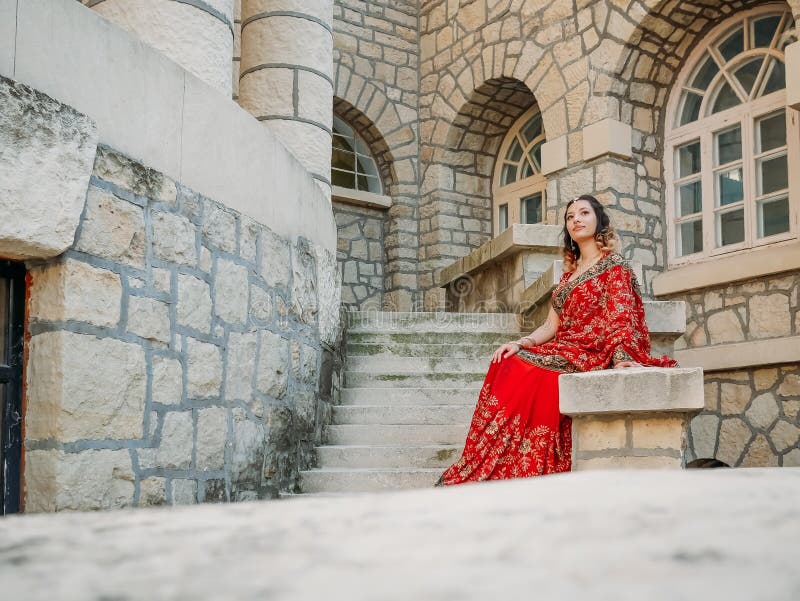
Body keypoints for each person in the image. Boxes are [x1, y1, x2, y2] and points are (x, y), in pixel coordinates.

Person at [436, 195, 677, 486]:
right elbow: (552, 324)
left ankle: (526, 462)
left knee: (530, 372)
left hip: (591, 351)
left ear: (599, 221)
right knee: (507, 362)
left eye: (584, 213)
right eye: (570, 216)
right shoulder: (568, 276)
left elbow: (621, 315)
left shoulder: (615, 267)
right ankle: (491, 460)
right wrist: (522, 342)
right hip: (563, 346)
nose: (576, 219)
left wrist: (622, 357)